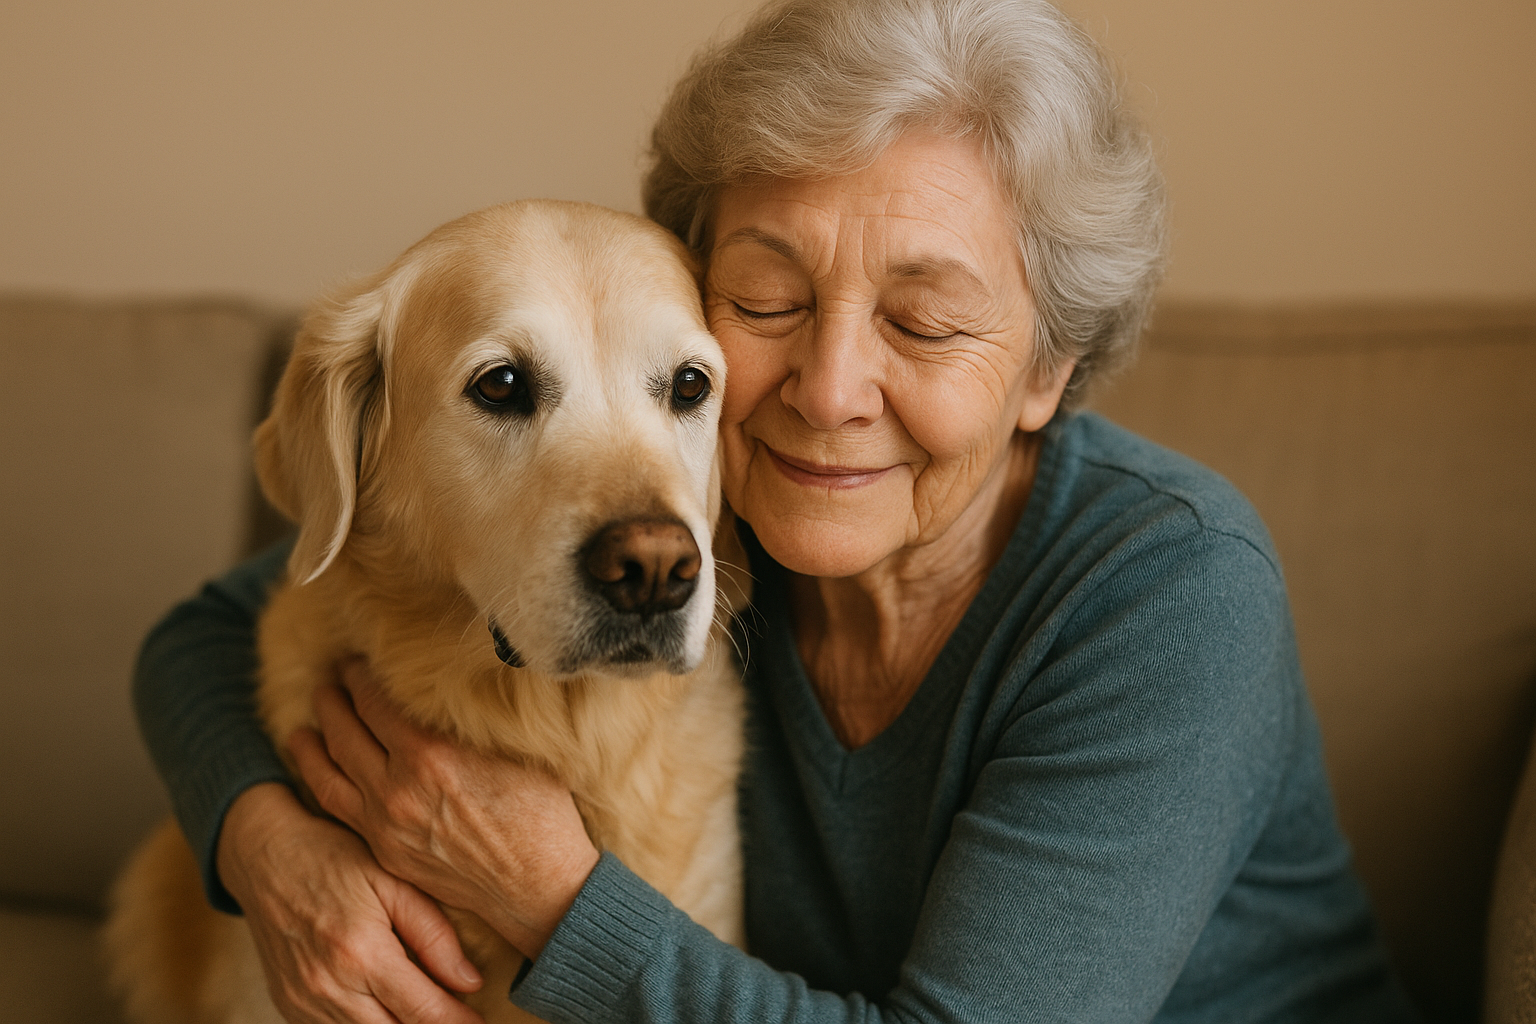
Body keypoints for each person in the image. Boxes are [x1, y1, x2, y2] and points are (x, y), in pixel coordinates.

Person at [134, 0, 1420, 1021]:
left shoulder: (1172, 590)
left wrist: (546, 895)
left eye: (924, 318)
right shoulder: (730, 501)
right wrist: (266, 843)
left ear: (1047, 372)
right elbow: (206, 634)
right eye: (765, 301)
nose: (828, 390)